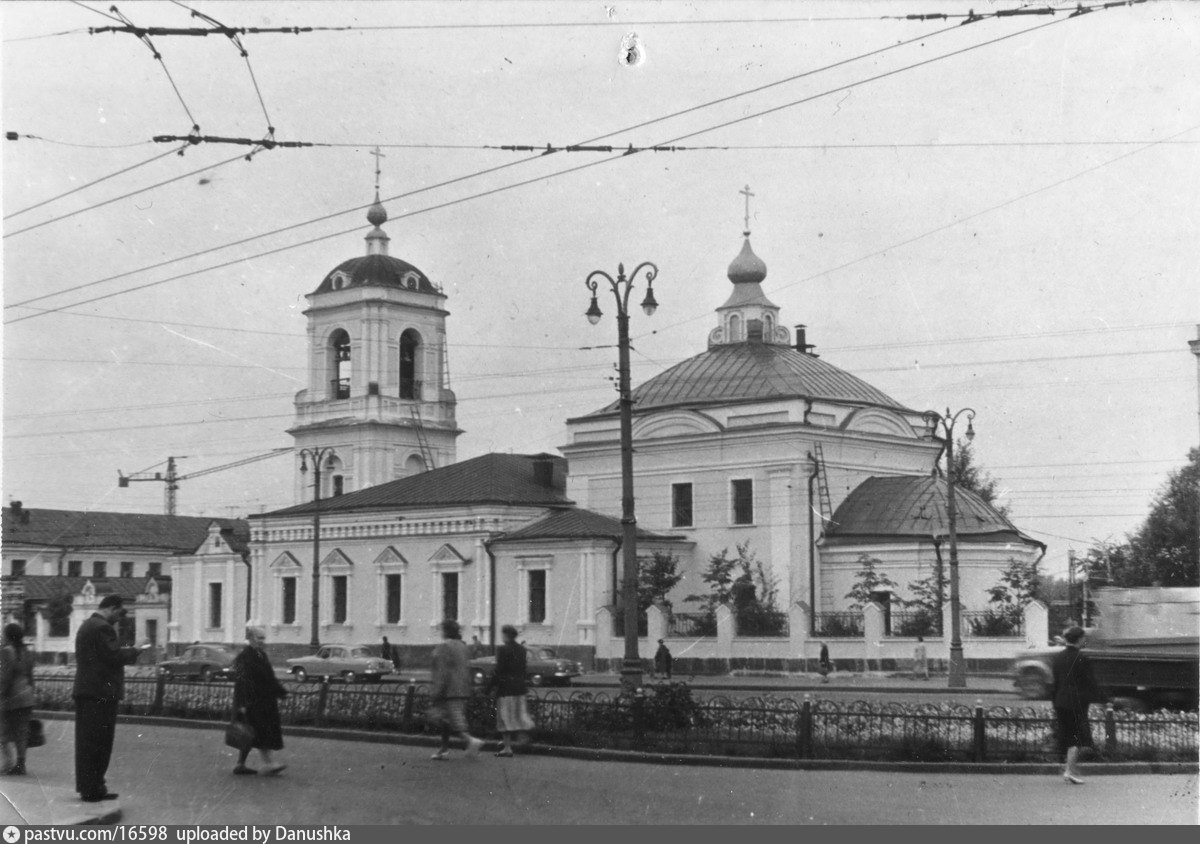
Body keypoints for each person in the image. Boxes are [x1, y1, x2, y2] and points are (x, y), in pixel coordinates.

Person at [72, 594, 147, 802]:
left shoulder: (88, 625)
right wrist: (136, 650)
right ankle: (93, 788)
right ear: (112, 608)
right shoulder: (102, 628)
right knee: (99, 743)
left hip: (88, 691)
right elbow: (113, 657)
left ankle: (91, 787)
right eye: (120, 613)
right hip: (100, 694)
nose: (119, 618)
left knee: (88, 743)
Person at [231, 626, 288, 776]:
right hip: (253, 702)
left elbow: (269, 677)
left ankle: (243, 764)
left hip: (264, 701)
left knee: (257, 733)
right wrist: (242, 704)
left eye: (263, 638)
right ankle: (267, 764)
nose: (262, 641)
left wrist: (281, 692)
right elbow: (241, 682)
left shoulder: (261, 655)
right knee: (253, 733)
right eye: (259, 638)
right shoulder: (245, 657)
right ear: (250, 639)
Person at [1051, 625, 1104, 784]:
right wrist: (1105, 698)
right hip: (1075, 704)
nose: (1084, 641)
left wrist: (1055, 702)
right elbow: (1090, 682)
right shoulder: (1081, 658)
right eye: (1083, 639)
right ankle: (1069, 771)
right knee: (1076, 739)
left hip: (1060, 702)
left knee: (1067, 737)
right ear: (1079, 639)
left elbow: (1055, 682)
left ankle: (1068, 768)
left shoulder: (1058, 657)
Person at [429, 620, 484, 761]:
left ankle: (471, 741)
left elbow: (442, 671)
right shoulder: (463, 646)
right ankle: (444, 749)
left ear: (446, 631)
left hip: (448, 690)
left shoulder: (444, 647)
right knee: (448, 719)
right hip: (462, 688)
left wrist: (437, 691)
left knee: (451, 720)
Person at [490, 625, 534, 757]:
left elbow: (499, 670)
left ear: (506, 635)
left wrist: (489, 687)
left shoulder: (502, 650)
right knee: (519, 715)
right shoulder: (522, 649)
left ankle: (507, 747)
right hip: (519, 688)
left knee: (504, 718)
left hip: (506, 689)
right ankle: (523, 736)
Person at [1, 623, 37, 776]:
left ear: (8, 636)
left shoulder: (7, 651)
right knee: (22, 732)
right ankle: (20, 764)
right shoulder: (26, 651)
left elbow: (5, 677)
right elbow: (30, 676)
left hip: (11, 697)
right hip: (27, 697)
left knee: (3, 731)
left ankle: (8, 762)